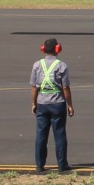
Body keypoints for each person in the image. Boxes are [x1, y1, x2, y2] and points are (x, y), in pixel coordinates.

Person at [30, 37, 75, 173]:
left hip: (42, 103)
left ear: (43, 49)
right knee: (60, 134)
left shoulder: (37, 65)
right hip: (57, 103)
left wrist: (34, 103)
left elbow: (34, 87)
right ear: (57, 49)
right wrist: (70, 105)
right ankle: (62, 164)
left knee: (41, 135)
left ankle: (39, 164)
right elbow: (65, 87)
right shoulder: (62, 66)